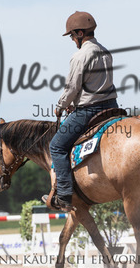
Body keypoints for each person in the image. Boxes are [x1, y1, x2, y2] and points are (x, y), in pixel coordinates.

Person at [44, 11, 119, 211]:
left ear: (79, 33)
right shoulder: (105, 52)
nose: (72, 39)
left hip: (89, 111)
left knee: (56, 146)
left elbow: (72, 87)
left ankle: (64, 195)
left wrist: (60, 106)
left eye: (71, 35)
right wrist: (76, 102)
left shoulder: (80, 55)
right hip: (111, 107)